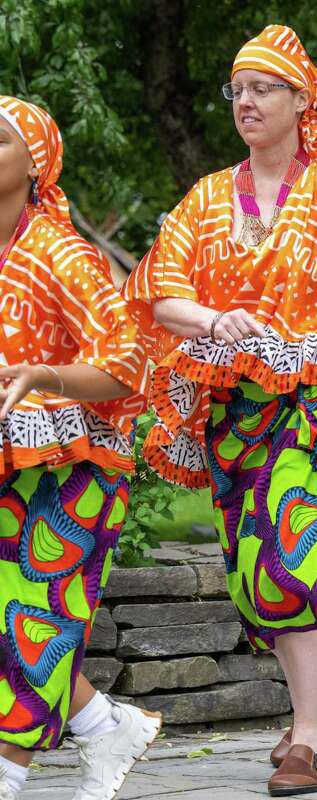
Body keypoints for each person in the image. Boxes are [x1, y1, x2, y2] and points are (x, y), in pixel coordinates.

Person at [122, 26, 317, 796]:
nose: (245, 101)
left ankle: (307, 739)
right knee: (255, 576)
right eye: (237, 89)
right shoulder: (209, 197)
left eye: (262, 88)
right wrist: (213, 322)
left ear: (300, 101)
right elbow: (159, 292)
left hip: (311, 406)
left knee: (289, 557)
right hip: (232, 410)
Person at [0, 97, 159, 800]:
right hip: (10, 460)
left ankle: (8, 775)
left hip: (72, 469)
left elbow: (129, 365)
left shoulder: (61, 252)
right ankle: (102, 725)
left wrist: (44, 374)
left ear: (35, 164)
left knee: (31, 617)